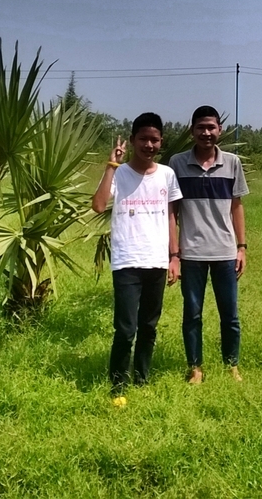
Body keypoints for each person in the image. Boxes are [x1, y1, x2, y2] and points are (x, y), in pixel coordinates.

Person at [92, 112, 182, 404]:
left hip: (156, 260)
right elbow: (98, 205)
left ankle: (142, 378)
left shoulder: (167, 174)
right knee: (126, 327)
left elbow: (170, 216)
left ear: (161, 142)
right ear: (132, 141)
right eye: (143, 138)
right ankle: (117, 384)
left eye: (154, 139)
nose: (149, 144)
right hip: (127, 260)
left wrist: (174, 256)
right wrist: (111, 164)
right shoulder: (119, 172)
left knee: (149, 325)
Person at [169, 106, 248, 384]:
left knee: (230, 315)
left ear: (220, 130)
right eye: (201, 127)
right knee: (192, 314)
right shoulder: (176, 163)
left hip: (225, 253)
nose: (206, 133)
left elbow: (237, 206)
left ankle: (232, 366)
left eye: (211, 127)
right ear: (192, 130)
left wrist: (241, 247)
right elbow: (172, 212)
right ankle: (195, 368)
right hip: (191, 254)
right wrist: (174, 254)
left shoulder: (232, 163)